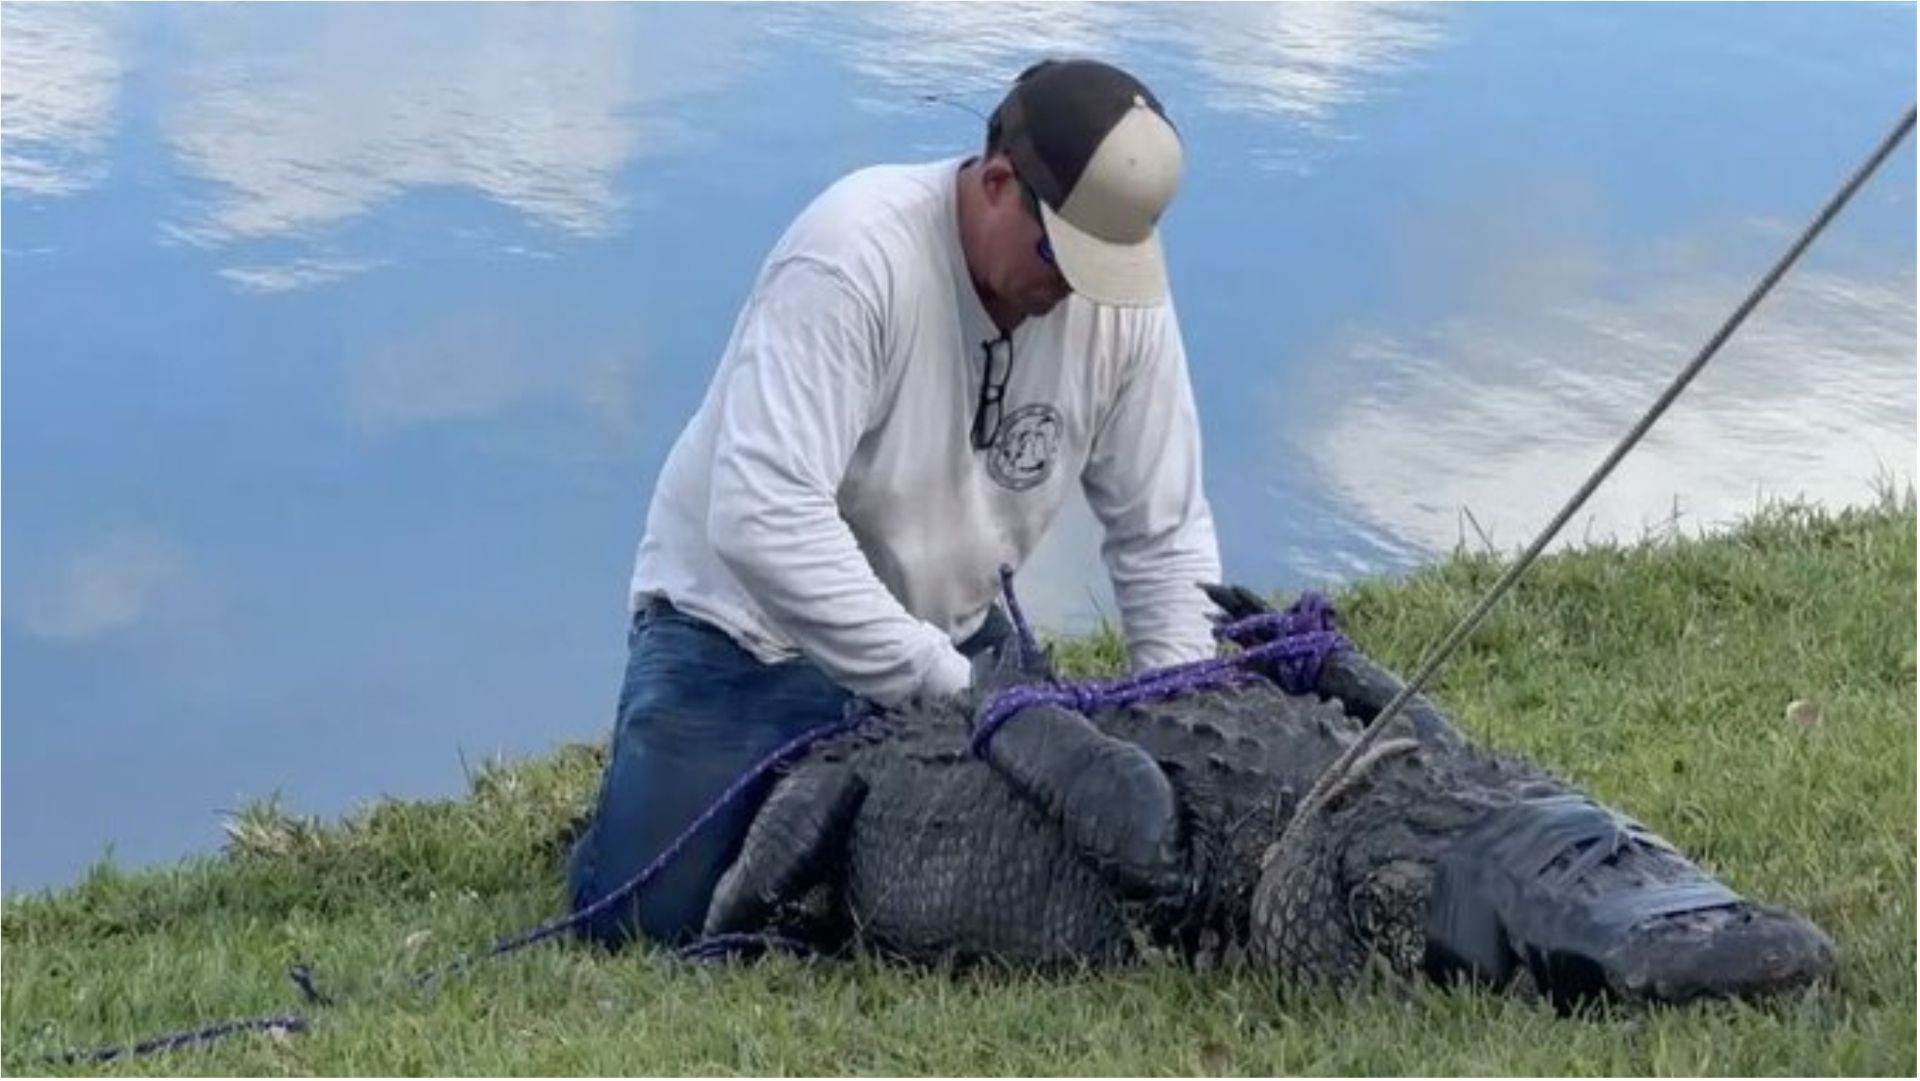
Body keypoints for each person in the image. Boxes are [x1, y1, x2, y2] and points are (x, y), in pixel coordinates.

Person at [567, 57, 1224, 948]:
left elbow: (1164, 537)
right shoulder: (851, 257)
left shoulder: (1118, 298)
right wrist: (950, 688)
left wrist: (1175, 716)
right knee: (649, 925)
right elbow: (763, 516)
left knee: (1071, 887)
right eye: (1060, 259)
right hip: (747, 638)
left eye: (1101, 271)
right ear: (997, 183)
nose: (1074, 291)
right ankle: (656, 795)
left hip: (954, 640)